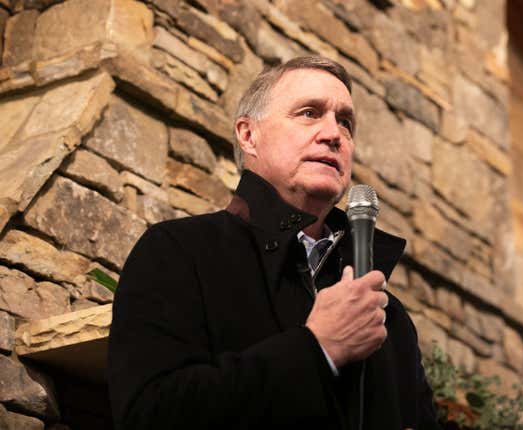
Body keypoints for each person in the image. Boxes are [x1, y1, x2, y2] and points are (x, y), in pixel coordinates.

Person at [108, 56, 441, 430]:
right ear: (249, 135)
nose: (333, 134)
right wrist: (317, 349)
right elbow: (149, 413)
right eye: (309, 113)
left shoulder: (388, 317)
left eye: (345, 122)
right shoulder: (180, 252)